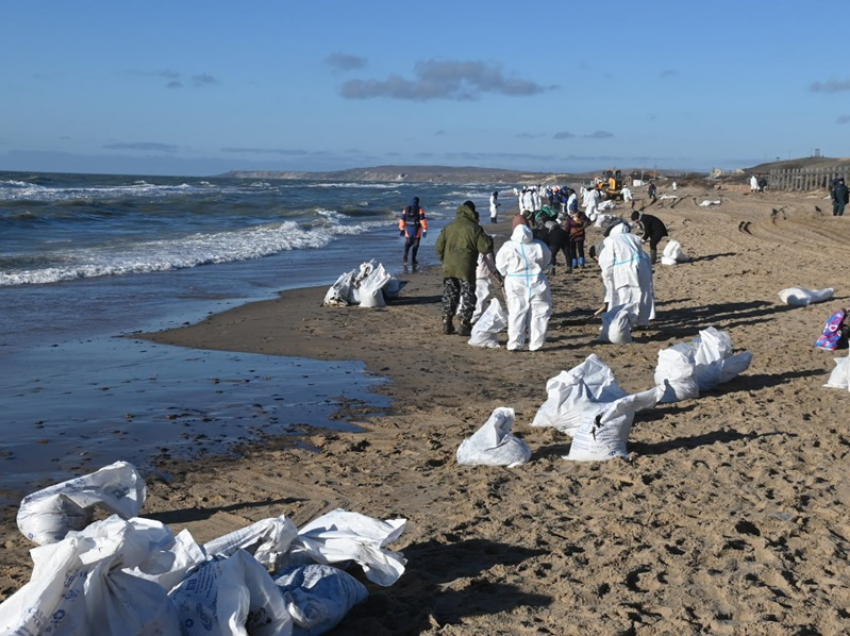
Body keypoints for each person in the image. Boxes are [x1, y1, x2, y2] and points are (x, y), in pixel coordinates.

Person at [435, 201, 494, 336]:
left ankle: (447, 322)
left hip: (449, 266)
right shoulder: (475, 228)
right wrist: (488, 238)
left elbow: (439, 246)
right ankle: (464, 324)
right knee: (467, 295)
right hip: (466, 267)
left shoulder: (449, 227)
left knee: (450, 294)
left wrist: (443, 259)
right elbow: (485, 248)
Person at [495, 224, 552, 351]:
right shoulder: (539, 245)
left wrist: (507, 273)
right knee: (540, 313)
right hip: (537, 281)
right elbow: (547, 260)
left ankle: (515, 343)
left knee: (516, 312)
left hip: (515, 281)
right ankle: (536, 343)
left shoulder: (508, 246)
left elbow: (500, 265)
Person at [597, 223, 655, 327]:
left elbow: (609, 261)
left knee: (626, 297)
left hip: (625, 269)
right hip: (642, 268)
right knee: (644, 294)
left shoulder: (611, 240)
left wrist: (607, 276)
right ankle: (643, 322)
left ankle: (625, 324)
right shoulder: (635, 238)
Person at [399, 197, 428, 265]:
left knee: (408, 242)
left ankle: (405, 257)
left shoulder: (405, 209)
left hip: (408, 229)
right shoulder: (420, 209)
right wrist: (424, 229)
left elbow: (402, 219)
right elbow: (422, 220)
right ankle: (413, 259)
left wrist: (402, 229)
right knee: (416, 244)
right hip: (416, 229)